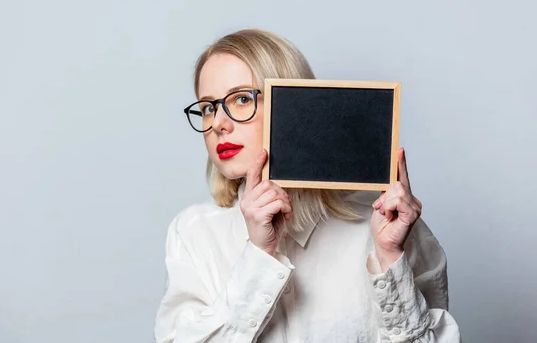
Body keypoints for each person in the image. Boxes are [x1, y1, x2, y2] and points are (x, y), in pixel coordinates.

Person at [154, 29, 460, 342]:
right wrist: (258, 254)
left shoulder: (384, 223)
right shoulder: (194, 233)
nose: (218, 122)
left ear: (291, 103)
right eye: (208, 107)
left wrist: (389, 257)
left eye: (242, 99)